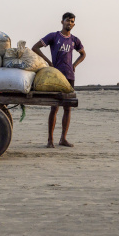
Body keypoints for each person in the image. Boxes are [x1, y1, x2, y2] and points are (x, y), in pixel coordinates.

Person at [32, 12, 86, 148]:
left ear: (74, 24)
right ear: (62, 22)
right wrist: (48, 62)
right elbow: (35, 47)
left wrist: (74, 65)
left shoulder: (75, 40)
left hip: (69, 76)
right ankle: (50, 140)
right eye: (67, 20)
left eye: (72, 21)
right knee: (54, 107)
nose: (70, 23)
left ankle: (63, 139)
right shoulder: (54, 36)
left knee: (67, 108)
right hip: (55, 76)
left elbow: (83, 54)